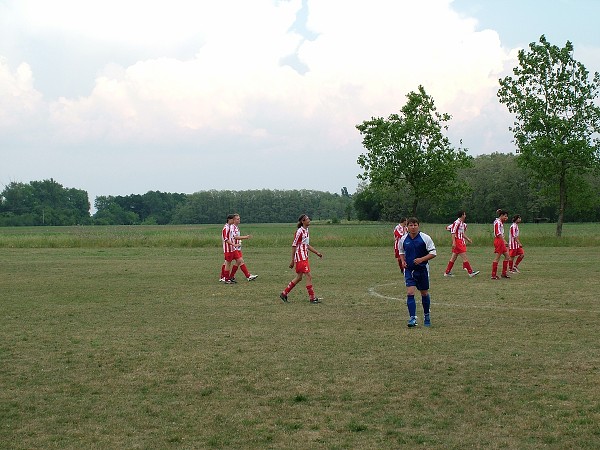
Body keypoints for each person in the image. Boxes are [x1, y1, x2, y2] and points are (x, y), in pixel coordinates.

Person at [399, 217, 437, 327]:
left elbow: (433, 253)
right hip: (410, 270)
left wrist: (422, 259)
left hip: (422, 270)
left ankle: (426, 315)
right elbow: (401, 251)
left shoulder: (425, 238)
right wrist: (403, 261)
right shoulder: (403, 239)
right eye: (411, 225)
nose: (413, 227)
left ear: (418, 226)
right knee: (410, 293)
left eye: (415, 225)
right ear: (407, 227)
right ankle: (412, 318)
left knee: (424, 293)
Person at [279, 214, 323, 304]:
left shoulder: (306, 231)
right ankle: (312, 298)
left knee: (299, 277)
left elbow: (306, 245)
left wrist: (316, 252)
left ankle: (284, 294)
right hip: (300, 257)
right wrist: (292, 260)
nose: (309, 220)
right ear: (303, 221)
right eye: (307, 219)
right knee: (308, 276)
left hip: (304, 256)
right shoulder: (299, 231)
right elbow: (294, 245)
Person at [443, 210, 480, 278]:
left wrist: (468, 239)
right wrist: (454, 242)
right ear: (462, 215)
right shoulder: (456, 222)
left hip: (460, 241)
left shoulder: (462, 223)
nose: (465, 216)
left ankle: (447, 272)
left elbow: (461, 233)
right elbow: (453, 232)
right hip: (458, 241)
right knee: (464, 257)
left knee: (453, 258)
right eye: (464, 214)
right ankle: (470, 272)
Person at [228, 214, 258, 282]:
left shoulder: (236, 227)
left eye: (239, 219)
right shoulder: (232, 227)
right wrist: (245, 237)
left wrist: (240, 242)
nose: (239, 220)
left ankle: (232, 276)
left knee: (240, 262)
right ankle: (229, 276)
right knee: (237, 261)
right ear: (234, 220)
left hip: (237, 247)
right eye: (237, 219)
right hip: (234, 247)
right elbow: (234, 237)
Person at [491, 209, 510, 279]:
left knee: (507, 256)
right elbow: (498, 233)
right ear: (501, 216)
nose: (506, 218)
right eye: (505, 216)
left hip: (500, 240)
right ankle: (493, 275)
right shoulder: (498, 222)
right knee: (497, 257)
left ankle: (504, 273)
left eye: (507, 216)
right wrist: (504, 241)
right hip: (499, 241)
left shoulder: (500, 221)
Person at [219, 214, 236, 283]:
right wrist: (233, 244)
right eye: (233, 219)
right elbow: (226, 239)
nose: (234, 221)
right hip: (227, 249)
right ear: (229, 219)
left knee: (228, 262)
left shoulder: (230, 227)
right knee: (228, 263)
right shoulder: (226, 228)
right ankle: (226, 278)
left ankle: (226, 277)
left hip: (231, 248)